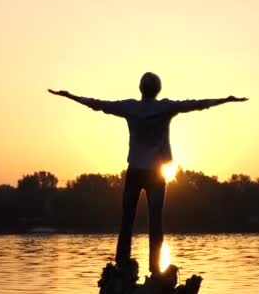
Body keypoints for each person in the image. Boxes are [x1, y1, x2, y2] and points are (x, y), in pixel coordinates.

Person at [48, 72, 248, 276]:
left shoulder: (130, 107)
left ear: (140, 88)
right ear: (158, 89)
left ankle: (122, 262)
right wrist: (225, 100)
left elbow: (97, 104)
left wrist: (69, 96)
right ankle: (155, 268)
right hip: (156, 173)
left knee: (127, 218)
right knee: (156, 220)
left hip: (135, 170)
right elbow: (197, 104)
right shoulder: (165, 107)